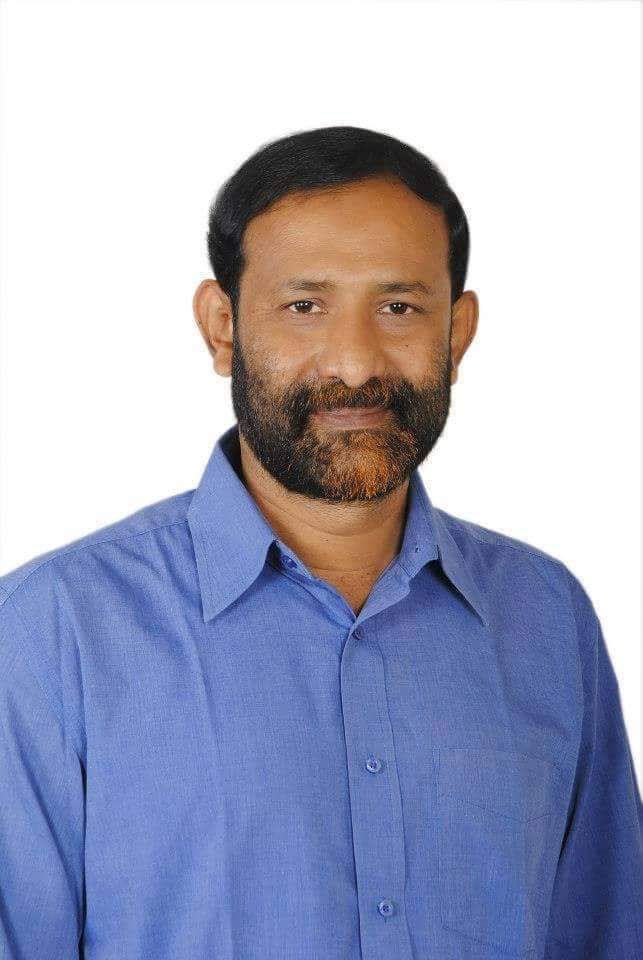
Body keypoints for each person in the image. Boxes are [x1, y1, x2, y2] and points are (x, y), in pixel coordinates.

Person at [1, 125, 641, 960]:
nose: (354, 363)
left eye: (398, 307)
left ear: (457, 333)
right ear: (222, 327)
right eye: (304, 307)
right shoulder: (53, 631)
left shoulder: (545, 615)